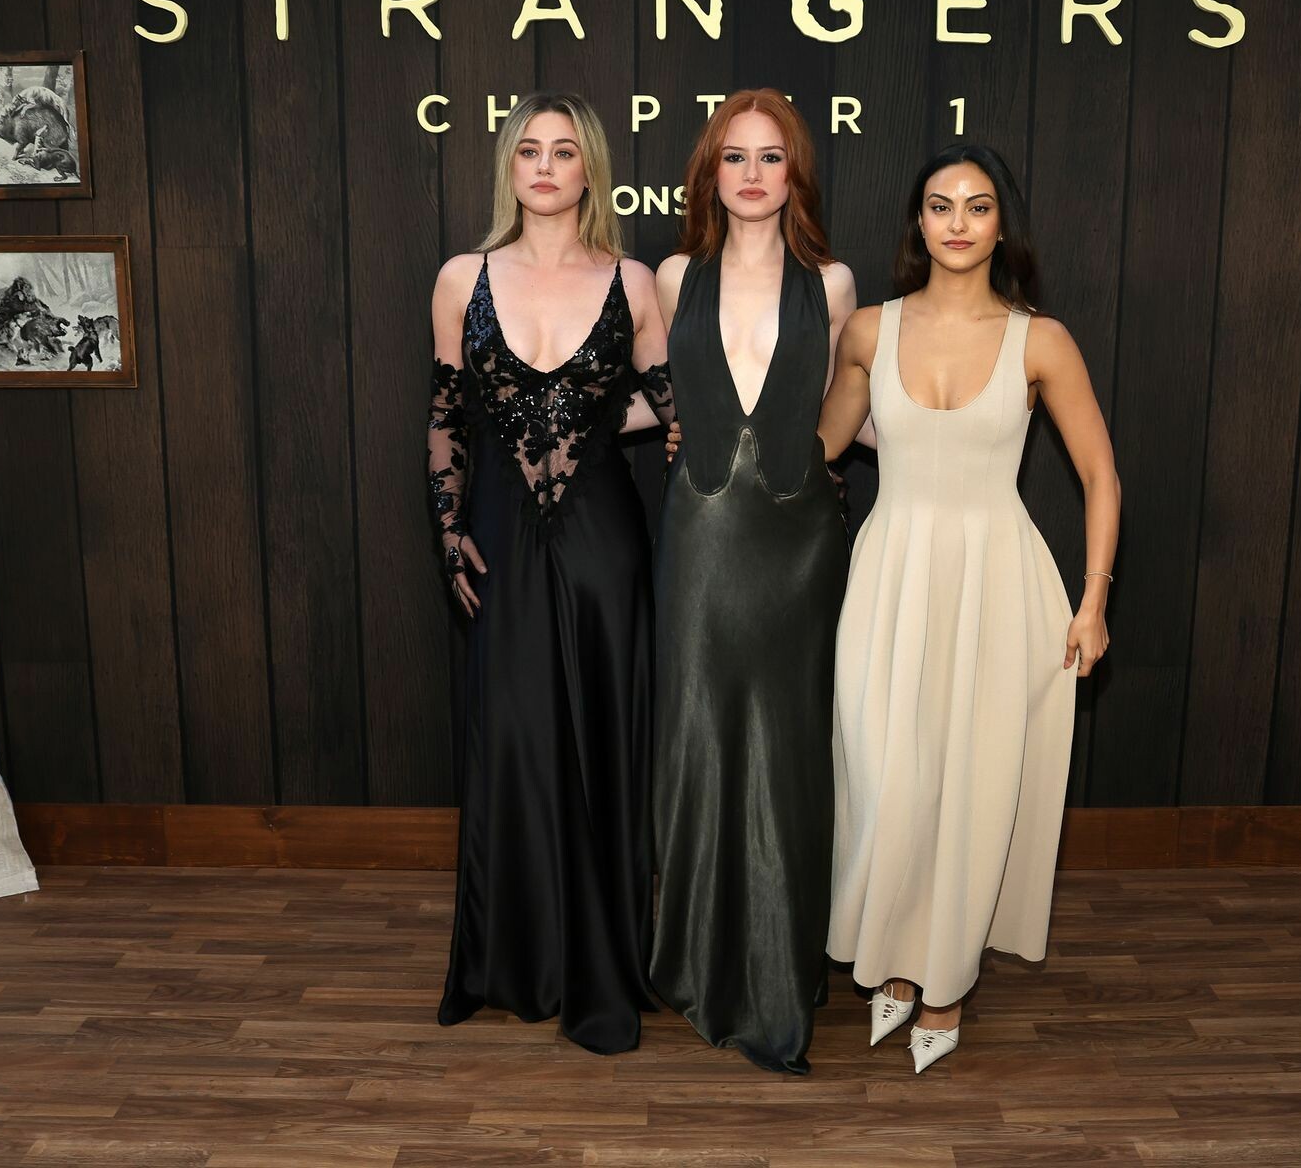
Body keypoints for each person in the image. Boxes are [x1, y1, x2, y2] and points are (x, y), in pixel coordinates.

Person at [819, 144, 1120, 1073]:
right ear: (918, 221)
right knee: (889, 778)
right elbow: (819, 447)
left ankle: (943, 981)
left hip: (998, 582)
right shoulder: (868, 330)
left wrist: (1093, 602)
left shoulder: (1041, 341)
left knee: (973, 785)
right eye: (941, 205)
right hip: (889, 578)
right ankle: (893, 960)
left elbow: (1101, 476)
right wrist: (718, 422)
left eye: (977, 206)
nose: (957, 222)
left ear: (1000, 225)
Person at [426, 92, 672, 1054]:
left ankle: (604, 960)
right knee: (517, 738)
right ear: (509, 167)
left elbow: (674, 406)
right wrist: (450, 527)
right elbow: (446, 416)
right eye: (528, 150)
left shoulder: (634, 281)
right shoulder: (462, 278)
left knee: (603, 738)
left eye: (564, 151)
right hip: (499, 531)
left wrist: (591, 422)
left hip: (605, 537)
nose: (544, 166)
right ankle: (517, 960)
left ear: (588, 169)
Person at [647, 90, 855, 1074]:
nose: (754, 174)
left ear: (795, 172)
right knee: (698, 734)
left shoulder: (835, 285)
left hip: (796, 539)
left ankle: (780, 969)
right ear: (711, 172)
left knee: (786, 747)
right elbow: (660, 394)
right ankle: (695, 960)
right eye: (736, 157)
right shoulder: (672, 276)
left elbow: (846, 410)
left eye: (772, 157)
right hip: (700, 534)